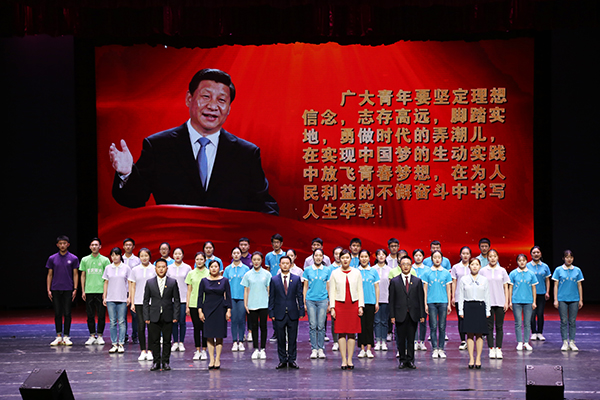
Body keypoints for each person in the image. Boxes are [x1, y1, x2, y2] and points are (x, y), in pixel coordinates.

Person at [109, 68, 278, 215]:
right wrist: (126, 173)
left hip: (226, 240)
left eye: (221, 100)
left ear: (228, 109)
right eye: (206, 96)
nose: (213, 106)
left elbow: (263, 204)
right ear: (189, 99)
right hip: (176, 239)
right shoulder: (158, 146)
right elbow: (134, 199)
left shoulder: (246, 154)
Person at [329, 249, 364, 369]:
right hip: (340, 305)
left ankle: (350, 360)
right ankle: (343, 359)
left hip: (353, 304)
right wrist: (332, 307)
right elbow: (332, 291)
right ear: (339, 259)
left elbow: (360, 290)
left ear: (350, 259)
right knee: (341, 332)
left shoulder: (356, 272)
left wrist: (360, 306)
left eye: (347, 258)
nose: (345, 260)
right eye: (343, 257)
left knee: (352, 332)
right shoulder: (334, 273)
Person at [143, 258, 181, 371]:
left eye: (163, 267)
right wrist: (146, 316)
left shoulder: (172, 282)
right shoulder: (150, 282)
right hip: (154, 315)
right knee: (154, 340)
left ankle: (165, 362)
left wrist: (176, 315)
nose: (161, 269)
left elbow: (177, 300)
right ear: (155, 269)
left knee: (167, 341)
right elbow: (146, 301)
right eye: (159, 267)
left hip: (168, 315)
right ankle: (156, 362)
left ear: (167, 268)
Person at [269, 256, 305, 369]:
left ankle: (292, 359)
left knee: (292, 338)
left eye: (287, 263)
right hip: (279, 312)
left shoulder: (296, 279)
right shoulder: (274, 279)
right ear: (280, 265)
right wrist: (271, 312)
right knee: (280, 338)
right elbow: (272, 297)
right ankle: (282, 360)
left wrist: (301, 310)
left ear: (290, 265)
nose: (285, 265)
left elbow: (299, 295)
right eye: (283, 263)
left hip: (292, 312)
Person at [390, 256, 425, 369]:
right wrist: (392, 315)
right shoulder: (394, 281)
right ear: (400, 266)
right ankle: (402, 360)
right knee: (401, 339)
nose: (406, 266)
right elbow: (391, 300)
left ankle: (410, 360)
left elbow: (420, 299)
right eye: (403, 264)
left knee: (411, 339)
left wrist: (422, 315)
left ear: (411, 266)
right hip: (400, 314)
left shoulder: (417, 281)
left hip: (413, 314)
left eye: (408, 264)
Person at [46, 235, 79, 346]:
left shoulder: (73, 258)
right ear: (57, 245)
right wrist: (48, 289)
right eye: (60, 243)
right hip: (55, 289)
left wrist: (75, 288)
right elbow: (49, 274)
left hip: (68, 289)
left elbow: (75, 274)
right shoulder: (52, 258)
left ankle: (66, 336)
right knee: (57, 313)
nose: (62, 245)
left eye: (64, 243)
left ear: (68, 244)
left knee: (67, 313)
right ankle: (58, 336)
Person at [198, 260, 232, 369]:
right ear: (209, 268)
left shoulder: (224, 280)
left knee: (219, 335)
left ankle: (217, 359)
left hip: (220, 309)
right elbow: (200, 297)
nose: (213, 268)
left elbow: (228, 296)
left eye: (216, 266)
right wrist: (200, 311)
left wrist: (228, 310)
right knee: (209, 335)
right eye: (211, 266)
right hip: (208, 310)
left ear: (219, 268)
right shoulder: (204, 281)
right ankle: (211, 359)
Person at [458, 258, 491, 369]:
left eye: (477, 264)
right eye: (472, 264)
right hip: (468, 307)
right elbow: (461, 295)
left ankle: (478, 358)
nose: (475, 266)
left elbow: (487, 296)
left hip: (480, 307)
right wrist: (461, 310)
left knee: (479, 334)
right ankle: (471, 358)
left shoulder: (484, 280)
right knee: (470, 334)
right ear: (469, 266)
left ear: (480, 266)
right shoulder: (464, 279)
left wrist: (488, 310)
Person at [479, 249, 509, 359]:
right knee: (489, 327)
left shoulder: (502, 270)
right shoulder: (483, 271)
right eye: (490, 256)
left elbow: (506, 286)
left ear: (497, 258)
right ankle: (491, 348)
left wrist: (506, 301)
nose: (492, 258)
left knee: (499, 326)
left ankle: (499, 349)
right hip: (488, 302)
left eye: (494, 256)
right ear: (487, 258)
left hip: (500, 302)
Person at [80, 237, 110, 346]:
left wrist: (106, 293)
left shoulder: (105, 260)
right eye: (92, 245)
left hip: (101, 291)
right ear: (89, 247)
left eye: (96, 245)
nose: (94, 247)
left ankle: (100, 336)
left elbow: (107, 277)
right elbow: (83, 275)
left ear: (100, 246)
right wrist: (83, 291)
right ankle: (92, 335)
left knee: (101, 315)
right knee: (90, 315)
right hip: (89, 291)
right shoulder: (85, 260)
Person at [302, 248, 332, 359]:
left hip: (323, 300)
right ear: (313, 257)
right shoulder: (308, 270)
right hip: (310, 300)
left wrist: (329, 301)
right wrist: (304, 302)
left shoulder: (327, 270)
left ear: (323, 257)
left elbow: (328, 287)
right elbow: (305, 287)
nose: (318, 257)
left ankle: (321, 348)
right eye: (316, 255)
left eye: (320, 255)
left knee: (321, 326)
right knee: (312, 325)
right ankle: (314, 349)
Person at [422, 250, 452, 358]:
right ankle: (435, 348)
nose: (437, 259)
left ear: (442, 259)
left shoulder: (446, 273)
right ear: (431, 259)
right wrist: (425, 304)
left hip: (443, 302)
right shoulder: (427, 272)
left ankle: (441, 349)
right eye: (435, 257)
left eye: (439, 257)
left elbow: (448, 289)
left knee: (442, 326)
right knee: (433, 326)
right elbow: (425, 290)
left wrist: (449, 304)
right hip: (431, 302)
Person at [242, 251, 271, 359]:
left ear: (262, 260)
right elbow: (246, 290)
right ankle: (255, 349)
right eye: (254, 260)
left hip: (264, 304)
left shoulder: (267, 274)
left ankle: (262, 349)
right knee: (253, 327)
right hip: (252, 304)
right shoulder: (248, 274)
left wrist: (270, 303)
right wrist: (246, 304)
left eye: (258, 259)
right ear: (252, 261)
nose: (256, 262)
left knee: (263, 327)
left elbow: (269, 290)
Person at [553, 250, 584, 352]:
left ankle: (572, 342)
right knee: (563, 321)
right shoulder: (558, 270)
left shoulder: (577, 270)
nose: (569, 259)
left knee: (572, 321)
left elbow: (579, 285)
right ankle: (565, 342)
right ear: (563, 258)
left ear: (573, 258)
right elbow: (556, 285)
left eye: (570, 257)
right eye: (567, 257)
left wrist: (580, 299)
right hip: (562, 299)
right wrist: (555, 299)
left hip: (574, 299)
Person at [128, 248, 156, 361]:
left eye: (146, 255)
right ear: (139, 257)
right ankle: (143, 350)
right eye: (142, 256)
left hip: (152, 302)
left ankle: (150, 351)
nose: (144, 258)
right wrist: (132, 302)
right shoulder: (135, 270)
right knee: (140, 326)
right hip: (139, 301)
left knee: (151, 327)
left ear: (149, 256)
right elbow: (132, 286)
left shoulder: (154, 269)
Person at [102, 247, 131, 353]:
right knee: (112, 322)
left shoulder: (126, 268)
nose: (114, 257)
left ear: (120, 256)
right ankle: (114, 344)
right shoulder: (108, 268)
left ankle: (121, 343)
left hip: (122, 298)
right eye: (112, 255)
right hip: (111, 299)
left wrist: (129, 297)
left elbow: (130, 283)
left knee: (122, 322)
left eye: (117, 255)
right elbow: (106, 282)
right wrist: (104, 296)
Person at [508, 254, 538, 351]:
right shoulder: (513, 273)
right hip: (516, 301)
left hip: (528, 301)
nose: (522, 262)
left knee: (527, 323)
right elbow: (510, 287)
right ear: (517, 261)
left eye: (524, 260)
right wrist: (510, 301)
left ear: (526, 261)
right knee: (518, 323)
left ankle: (526, 342)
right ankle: (520, 342)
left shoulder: (531, 274)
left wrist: (534, 301)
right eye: (520, 260)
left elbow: (534, 288)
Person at [223, 247, 249, 351]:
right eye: (234, 253)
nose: (236, 255)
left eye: (238, 253)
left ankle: (241, 342)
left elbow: (248, 285)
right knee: (233, 320)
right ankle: (234, 342)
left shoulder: (246, 269)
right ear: (232, 255)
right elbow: (224, 285)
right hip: (231, 298)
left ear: (241, 254)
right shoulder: (227, 269)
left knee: (241, 320)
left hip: (242, 298)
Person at [167, 247, 192, 352]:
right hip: (171, 299)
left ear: (183, 255)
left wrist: (188, 301)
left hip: (183, 298)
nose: (177, 256)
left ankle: (181, 342)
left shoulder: (187, 268)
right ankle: (175, 342)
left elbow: (190, 285)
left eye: (179, 254)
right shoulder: (169, 268)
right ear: (173, 255)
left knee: (182, 321)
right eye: (175, 254)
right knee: (173, 321)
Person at [186, 252, 210, 361]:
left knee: (205, 327)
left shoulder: (209, 272)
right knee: (196, 327)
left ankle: (204, 350)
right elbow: (189, 290)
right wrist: (187, 305)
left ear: (205, 260)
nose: (199, 261)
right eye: (197, 259)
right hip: (193, 304)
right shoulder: (191, 273)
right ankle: (197, 350)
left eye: (201, 259)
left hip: (206, 304)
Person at [357, 250, 380, 359]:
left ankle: (369, 349)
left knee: (370, 326)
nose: (364, 259)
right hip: (359, 303)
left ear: (369, 258)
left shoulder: (373, 271)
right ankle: (362, 349)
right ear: (359, 258)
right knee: (360, 326)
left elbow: (376, 287)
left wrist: (377, 302)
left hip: (371, 302)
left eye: (366, 256)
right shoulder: (356, 271)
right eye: (362, 257)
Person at [527, 246, 551, 341]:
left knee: (540, 313)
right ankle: (533, 332)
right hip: (530, 294)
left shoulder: (545, 266)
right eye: (534, 252)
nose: (536, 254)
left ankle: (540, 332)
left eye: (538, 252)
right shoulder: (527, 266)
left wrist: (547, 292)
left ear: (540, 254)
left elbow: (547, 280)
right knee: (532, 314)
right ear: (531, 254)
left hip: (541, 293)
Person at [451, 246, 472, 350]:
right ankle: (463, 340)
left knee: (471, 318)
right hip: (459, 296)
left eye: (467, 254)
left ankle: (470, 339)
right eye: (463, 253)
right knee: (461, 319)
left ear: (470, 255)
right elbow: (454, 282)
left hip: (471, 296)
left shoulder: (473, 266)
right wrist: (453, 296)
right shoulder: (455, 267)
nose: (465, 255)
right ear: (460, 255)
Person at [122, 238, 141, 344]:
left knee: (135, 315)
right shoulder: (120, 259)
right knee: (122, 315)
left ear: (133, 246)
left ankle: (135, 335)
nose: (128, 247)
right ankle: (124, 336)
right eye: (126, 245)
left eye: (130, 245)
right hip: (122, 290)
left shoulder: (137, 260)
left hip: (134, 290)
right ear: (123, 247)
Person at [373, 249, 391, 351]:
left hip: (386, 298)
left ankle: (383, 341)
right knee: (376, 321)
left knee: (384, 321)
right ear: (376, 256)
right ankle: (377, 341)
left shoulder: (389, 270)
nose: (381, 256)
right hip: (375, 299)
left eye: (383, 254)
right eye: (379, 254)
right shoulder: (372, 269)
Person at [412, 249, 428, 351]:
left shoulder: (427, 269)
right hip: (412, 298)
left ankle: (422, 341)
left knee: (423, 320)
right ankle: (414, 341)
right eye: (416, 255)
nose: (418, 257)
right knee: (413, 320)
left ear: (423, 257)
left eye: (420, 255)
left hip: (423, 297)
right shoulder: (410, 268)